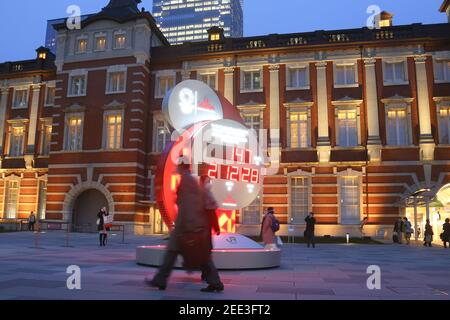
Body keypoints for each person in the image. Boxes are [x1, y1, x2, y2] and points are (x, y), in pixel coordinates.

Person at [148, 159, 224, 292]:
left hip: (186, 227)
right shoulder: (188, 180)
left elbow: (188, 207)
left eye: (178, 166)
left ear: (181, 167)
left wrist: (186, 228)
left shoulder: (186, 181)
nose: (176, 169)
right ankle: (160, 279)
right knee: (186, 254)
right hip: (187, 226)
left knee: (200, 256)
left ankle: (215, 282)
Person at [199, 175, 221, 282]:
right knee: (205, 254)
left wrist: (216, 228)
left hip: (204, 230)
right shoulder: (204, 195)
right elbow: (212, 214)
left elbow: (212, 214)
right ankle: (210, 277)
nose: (209, 184)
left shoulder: (206, 195)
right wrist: (216, 228)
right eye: (207, 181)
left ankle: (208, 276)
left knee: (205, 254)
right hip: (201, 229)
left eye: (210, 181)